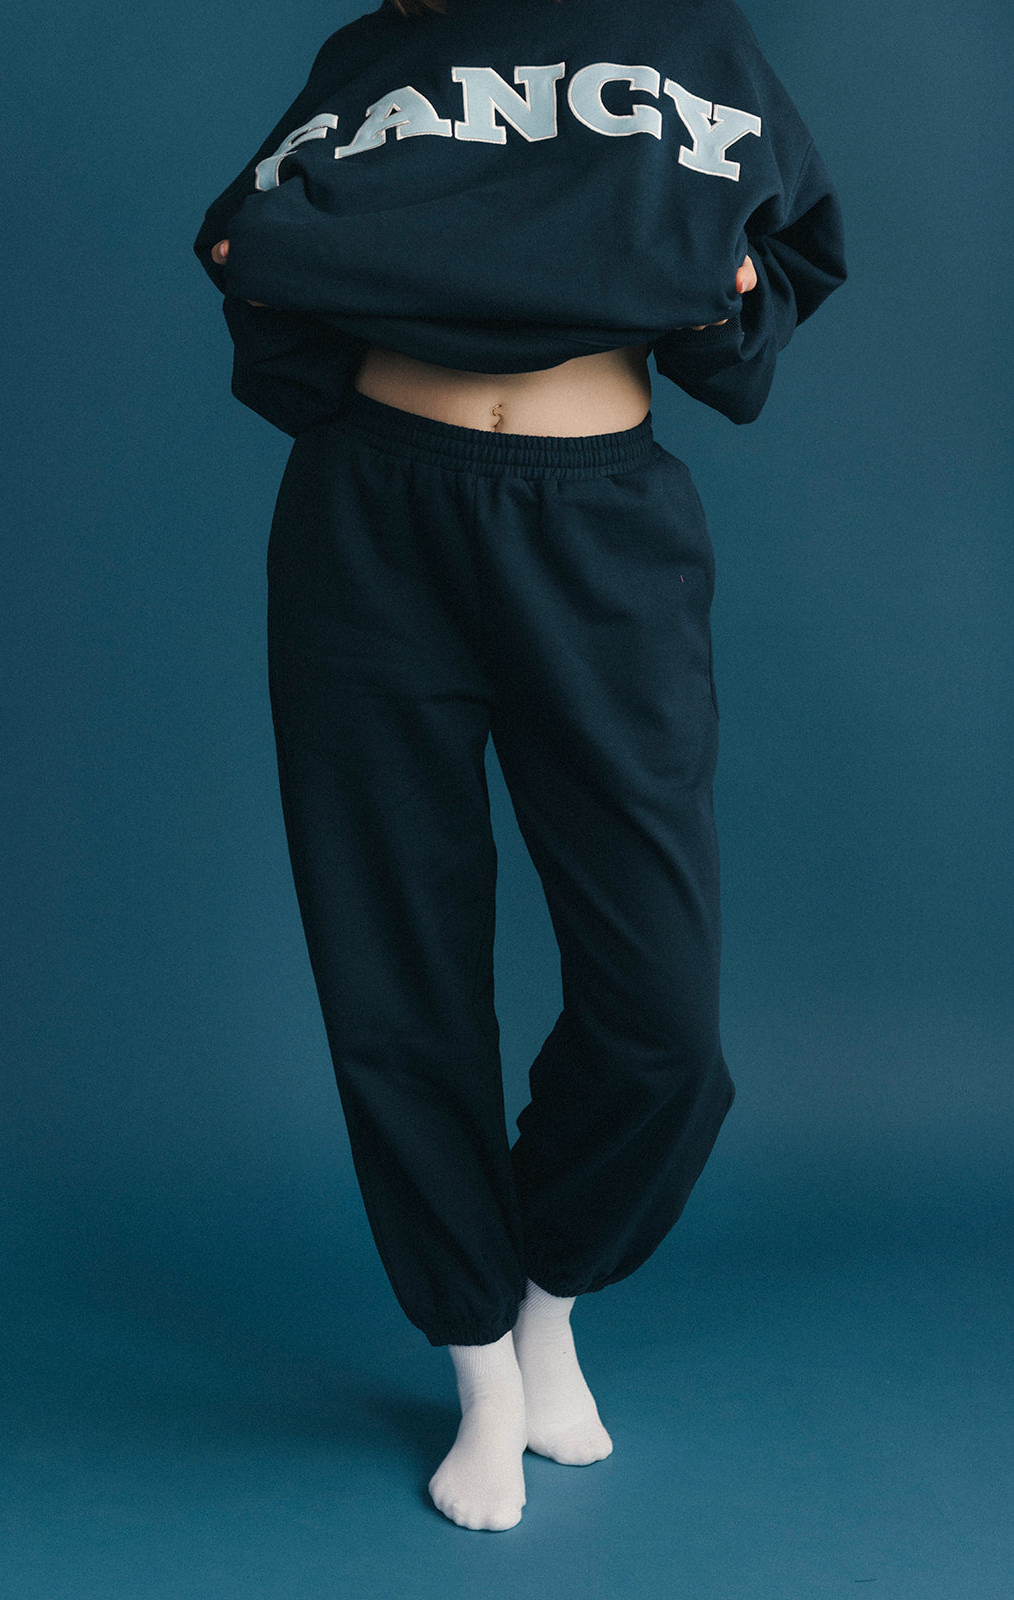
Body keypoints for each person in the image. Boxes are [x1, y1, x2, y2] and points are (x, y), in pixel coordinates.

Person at [194, 0, 845, 1533]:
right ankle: (481, 1365)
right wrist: (568, 270)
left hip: (599, 524)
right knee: (394, 967)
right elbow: (255, 250)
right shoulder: (381, 49)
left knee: (662, 1017)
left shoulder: (691, 46)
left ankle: (548, 1295)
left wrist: (709, 298)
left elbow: (771, 268)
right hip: (368, 512)